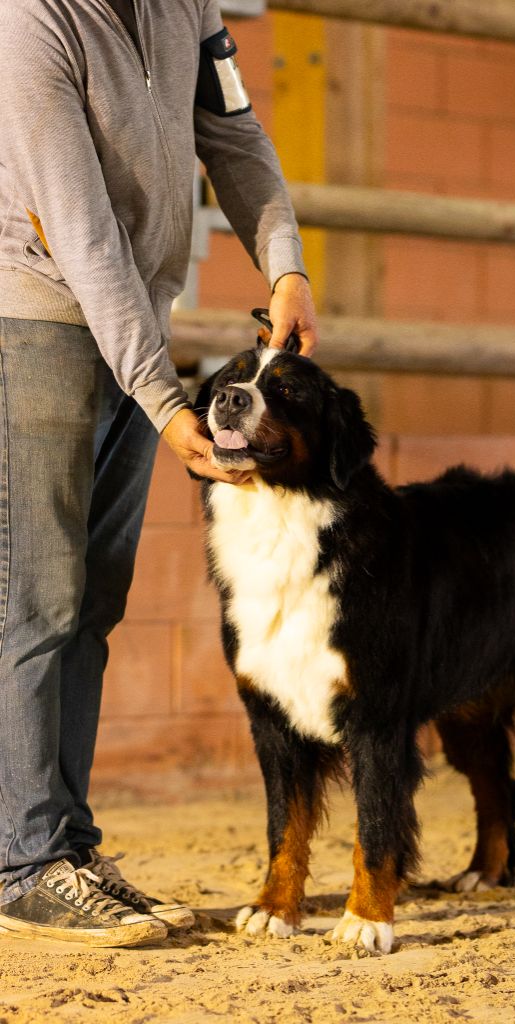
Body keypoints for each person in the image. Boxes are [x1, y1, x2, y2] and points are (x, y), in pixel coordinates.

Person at [0, 0, 318, 947]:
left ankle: (65, 843)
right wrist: (164, 397)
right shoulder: (31, 21)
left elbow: (232, 128)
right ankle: (21, 862)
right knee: (36, 601)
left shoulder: (186, 4)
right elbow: (81, 232)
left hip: (137, 319)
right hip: (39, 319)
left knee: (93, 599)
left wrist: (287, 265)